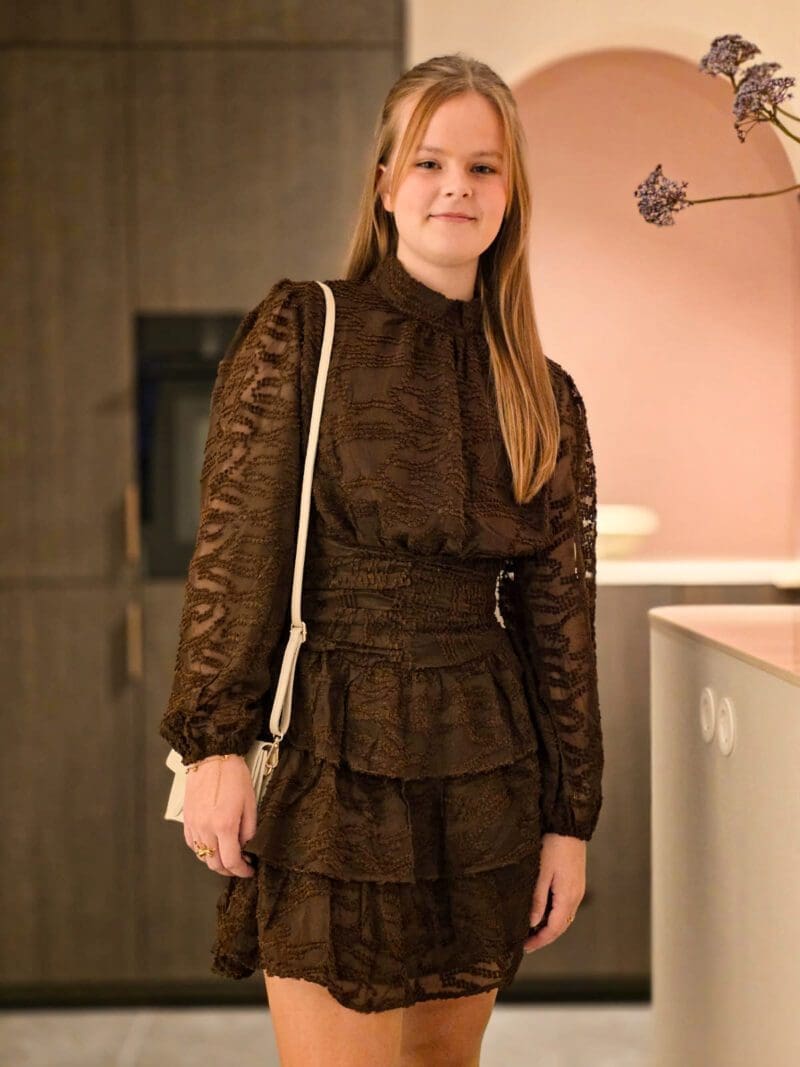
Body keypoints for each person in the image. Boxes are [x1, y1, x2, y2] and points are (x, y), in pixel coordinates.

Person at [159, 51, 604, 1067]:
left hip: (485, 766)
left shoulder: (545, 391)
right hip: (334, 753)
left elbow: (560, 626)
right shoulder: (307, 326)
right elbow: (237, 551)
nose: (456, 187)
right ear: (385, 183)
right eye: (429, 162)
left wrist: (568, 819)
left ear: (510, 195)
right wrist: (215, 744)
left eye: (483, 167)